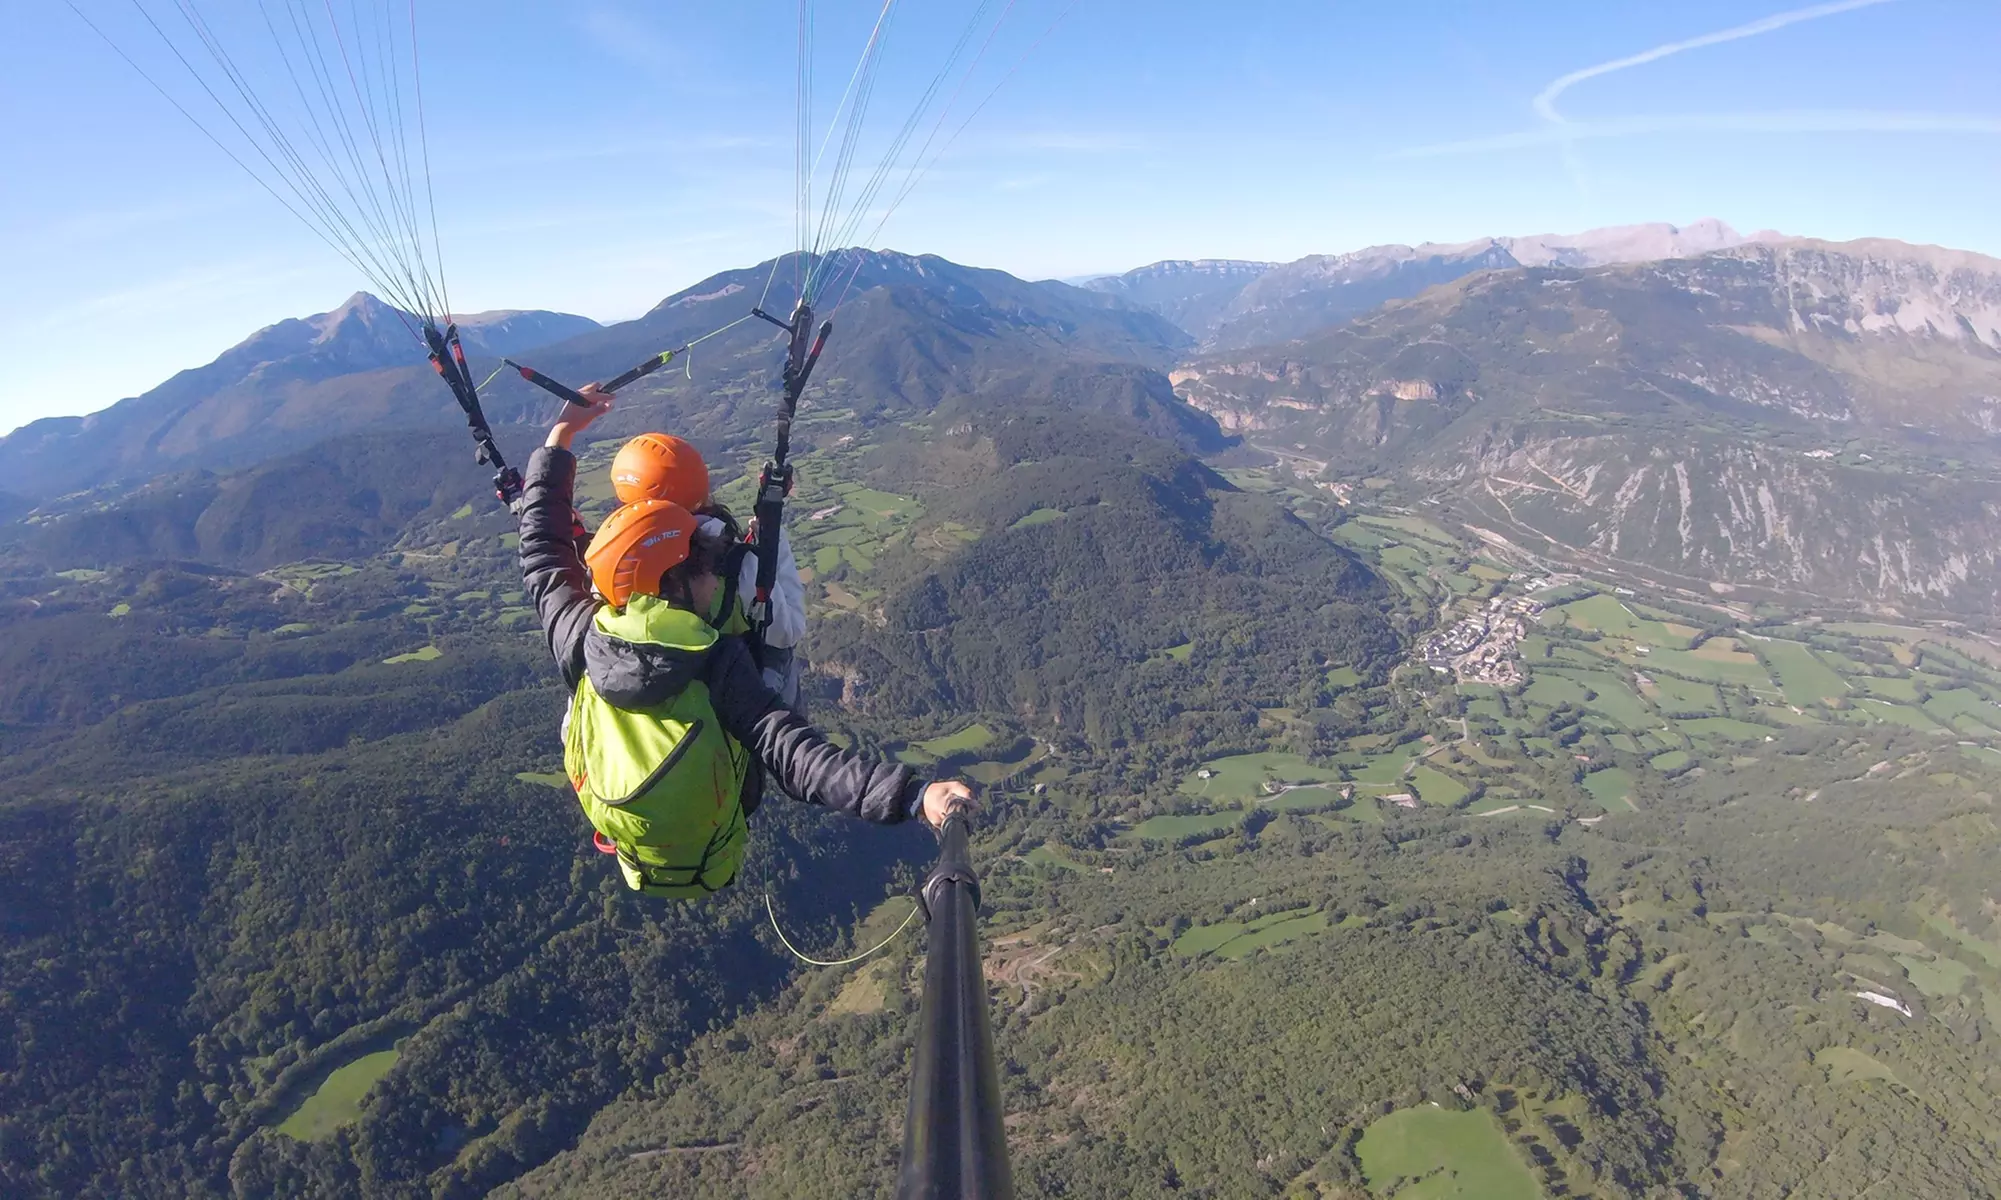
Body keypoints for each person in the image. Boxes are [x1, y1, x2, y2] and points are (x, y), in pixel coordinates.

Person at [520, 386, 971, 897]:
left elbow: (541, 549)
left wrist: (561, 433)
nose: (715, 574)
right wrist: (912, 797)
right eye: (707, 566)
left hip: (627, 834)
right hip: (722, 820)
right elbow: (796, 756)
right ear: (682, 582)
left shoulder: (579, 629)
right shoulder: (718, 663)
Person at [606, 432, 808, 709]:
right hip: (727, 691)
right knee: (779, 655)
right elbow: (786, 631)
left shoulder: (612, 561)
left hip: (640, 685)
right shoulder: (731, 560)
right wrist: (774, 542)